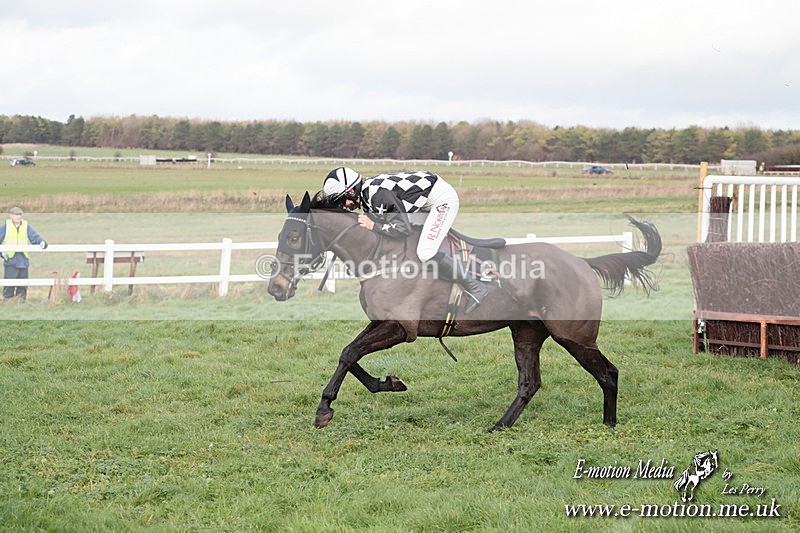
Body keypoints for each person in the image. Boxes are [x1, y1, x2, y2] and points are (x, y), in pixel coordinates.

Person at [322, 167, 488, 312]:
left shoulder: (376, 195)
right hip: (424, 201)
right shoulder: (366, 197)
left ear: (351, 191)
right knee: (412, 243)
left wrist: (374, 226)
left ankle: (475, 286)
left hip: (441, 200)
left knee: (425, 251)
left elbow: (403, 228)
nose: (344, 206)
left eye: (342, 200)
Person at [1, 207, 47, 301]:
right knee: (9, 284)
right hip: (11, 259)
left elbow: (35, 237)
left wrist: (41, 242)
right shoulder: (5, 227)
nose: (18, 217)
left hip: (23, 259)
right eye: (16, 215)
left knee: (23, 284)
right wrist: (2, 253)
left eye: (20, 215)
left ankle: (21, 302)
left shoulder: (26, 226)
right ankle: (7, 302)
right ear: (11, 216)